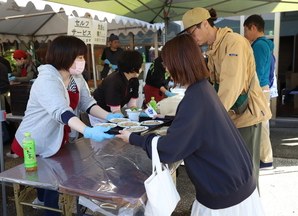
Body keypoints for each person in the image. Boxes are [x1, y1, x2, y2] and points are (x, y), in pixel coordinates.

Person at [116, 34, 266, 216]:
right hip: (238, 182)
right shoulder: (203, 88)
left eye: (167, 62)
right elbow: (194, 122)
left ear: (180, 63)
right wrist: (166, 117)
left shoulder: (194, 99)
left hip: (225, 196)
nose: (165, 68)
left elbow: (169, 149)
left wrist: (133, 138)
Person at [10, 35, 123, 216]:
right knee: (50, 181)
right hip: (37, 139)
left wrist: (111, 117)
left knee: (54, 178)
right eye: (79, 57)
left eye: (82, 57)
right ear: (64, 56)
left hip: (60, 137)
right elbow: (61, 111)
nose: (82, 61)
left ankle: (48, 203)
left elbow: (88, 104)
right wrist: (88, 131)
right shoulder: (47, 80)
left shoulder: (75, 79)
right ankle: (49, 209)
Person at [180, 7, 271, 189]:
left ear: (205, 24)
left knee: (247, 174)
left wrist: (209, 119)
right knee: (235, 172)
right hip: (231, 116)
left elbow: (231, 87)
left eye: (192, 32)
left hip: (246, 116)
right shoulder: (215, 47)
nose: (192, 37)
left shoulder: (233, 43)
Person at [244, 14, 275, 170]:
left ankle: (265, 159)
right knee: (262, 124)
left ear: (253, 28)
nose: (245, 35)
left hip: (259, 89)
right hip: (263, 88)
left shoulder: (259, 45)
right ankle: (265, 157)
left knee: (261, 125)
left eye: (246, 30)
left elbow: (256, 71)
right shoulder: (264, 44)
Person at [92, 50, 142, 125]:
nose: (141, 68)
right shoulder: (114, 81)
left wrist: (135, 112)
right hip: (100, 114)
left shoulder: (134, 80)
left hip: (115, 112)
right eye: (140, 66)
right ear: (133, 68)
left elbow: (131, 104)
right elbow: (115, 110)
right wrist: (126, 123)